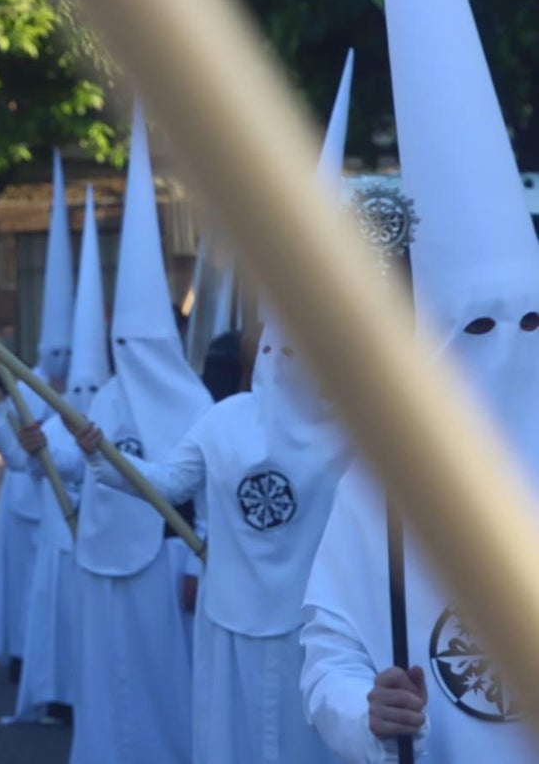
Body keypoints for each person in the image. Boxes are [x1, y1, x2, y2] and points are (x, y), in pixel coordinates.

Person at [69, 58, 355, 764]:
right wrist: (105, 454)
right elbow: (167, 483)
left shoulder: (347, 439)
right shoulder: (224, 422)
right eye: (278, 354)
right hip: (228, 622)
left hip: (307, 628)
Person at [301, 0, 539, 761]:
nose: (512, 347)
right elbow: (328, 659)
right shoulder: (383, 484)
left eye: (535, 323)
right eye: (479, 327)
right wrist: (366, 707)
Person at [62, 101, 213, 764]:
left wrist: (198, 558)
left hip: (166, 563)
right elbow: (86, 457)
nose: (128, 349)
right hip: (102, 555)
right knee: (109, 675)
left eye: (140, 340)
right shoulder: (111, 391)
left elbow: (204, 488)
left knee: (160, 677)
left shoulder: (197, 401)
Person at [0, 148, 74, 684]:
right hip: (29, 503)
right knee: (26, 593)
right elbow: (16, 452)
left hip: (72, 516)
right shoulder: (26, 385)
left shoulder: (99, 392)